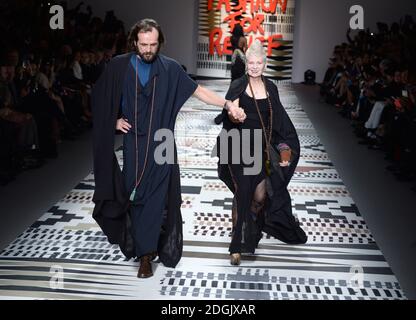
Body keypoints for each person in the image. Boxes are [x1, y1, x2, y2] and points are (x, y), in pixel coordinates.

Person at [91, 19, 246, 279]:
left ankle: (146, 256)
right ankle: (140, 245)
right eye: (143, 45)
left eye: (153, 44)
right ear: (134, 43)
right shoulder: (119, 66)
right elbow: (99, 95)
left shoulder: (170, 68)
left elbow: (199, 91)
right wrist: (113, 120)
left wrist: (228, 104)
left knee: (155, 198)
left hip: (162, 140)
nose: (148, 50)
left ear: (159, 42)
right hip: (133, 141)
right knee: (134, 194)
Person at [215, 40, 307, 266]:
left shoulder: (271, 88)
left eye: (258, 63)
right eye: (251, 62)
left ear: (265, 65)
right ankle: (236, 246)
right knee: (243, 193)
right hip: (238, 146)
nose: (254, 66)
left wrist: (285, 151)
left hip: (262, 150)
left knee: (259, 197)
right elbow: (229, 114)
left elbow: (279, 124)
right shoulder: (238, 85)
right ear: (246, 63)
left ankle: (251, 233)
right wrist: (235, 116)